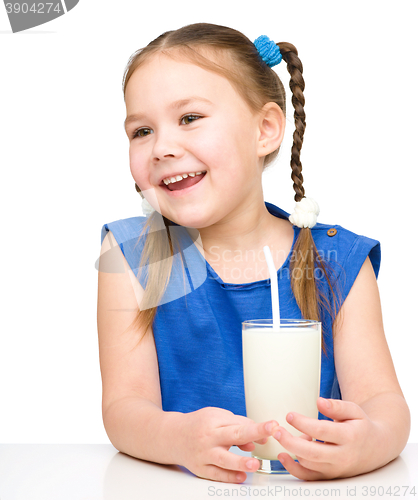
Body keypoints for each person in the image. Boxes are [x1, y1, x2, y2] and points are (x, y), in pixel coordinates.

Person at [97, 23, 410, 482]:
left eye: (189, 118)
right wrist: (175, 437)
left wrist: (371, 441)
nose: (161, 147)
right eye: (142, 130)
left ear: (265, 129)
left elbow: (385, 405)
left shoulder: (338, 261)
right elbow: (124, 409)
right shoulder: (132, 256)